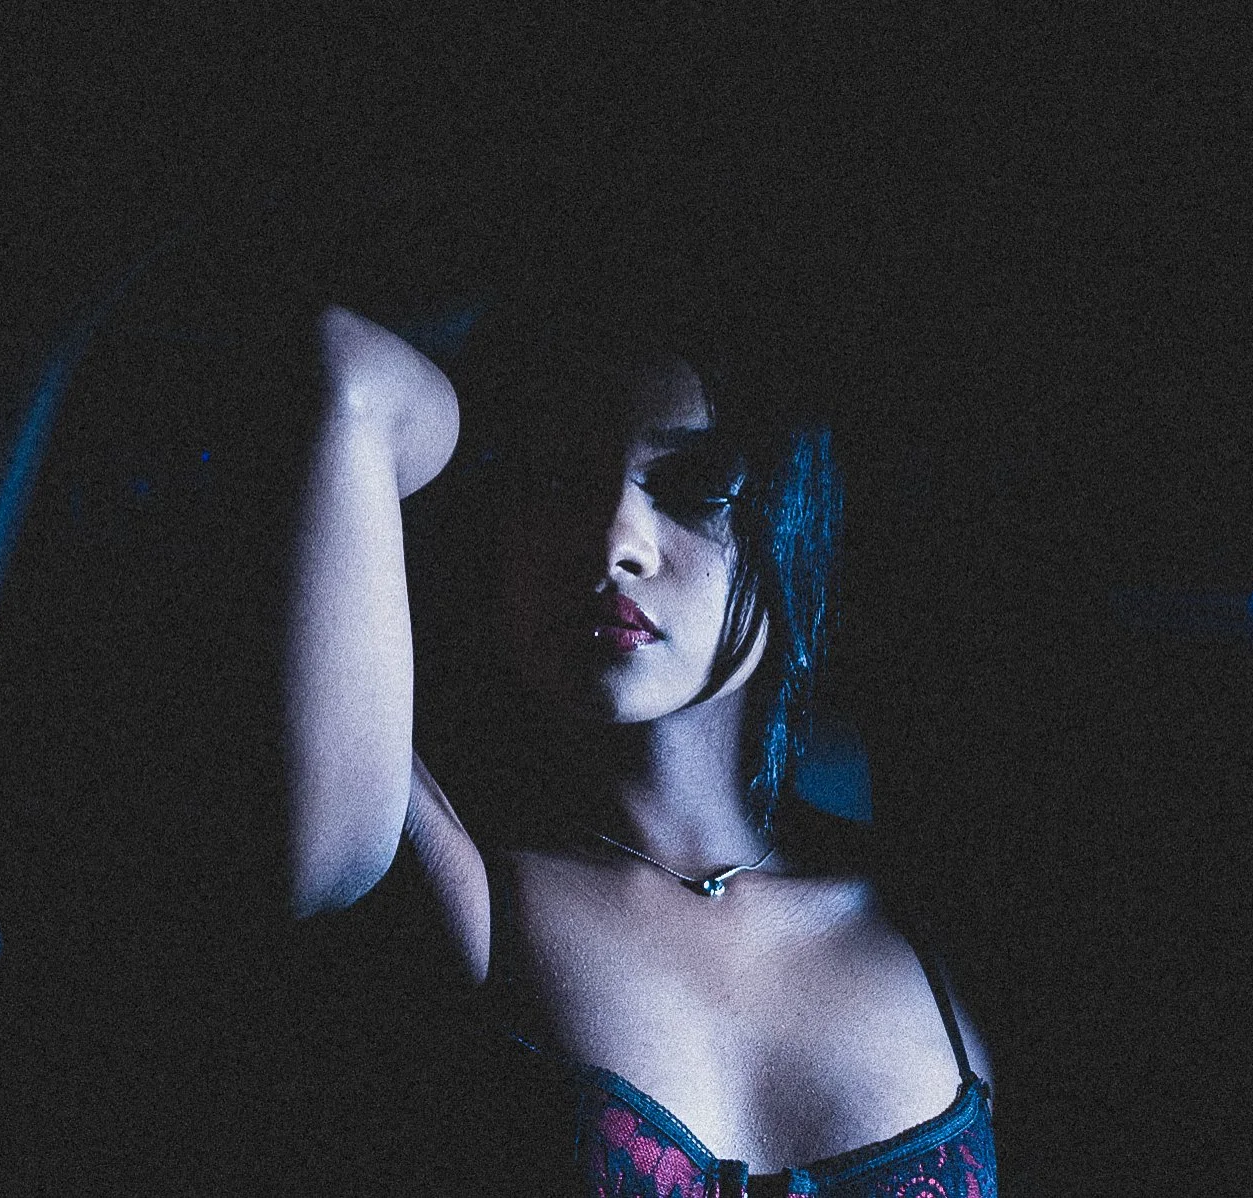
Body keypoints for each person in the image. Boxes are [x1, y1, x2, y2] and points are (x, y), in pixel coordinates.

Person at [276, 270, 996, 1197]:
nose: (614, 536)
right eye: (556, 479)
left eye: (696, 484)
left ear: (798, 516)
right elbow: (348, 373)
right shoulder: (452, 868)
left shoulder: (942, 910)